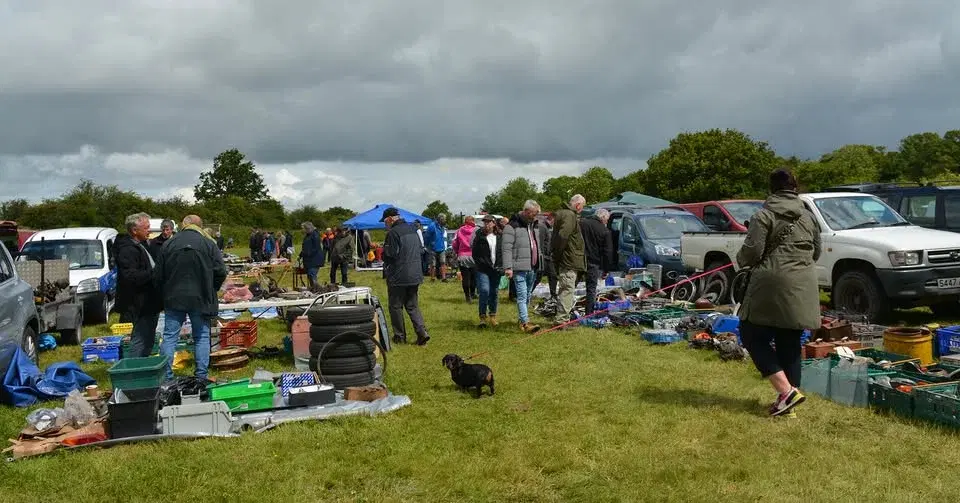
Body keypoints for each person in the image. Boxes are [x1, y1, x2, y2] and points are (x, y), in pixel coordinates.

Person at [737, 169, 821, 418]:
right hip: (803, 283)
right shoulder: (808, 217)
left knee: (751, 333)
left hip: (771, 282)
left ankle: (785, 392)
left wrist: (740, 259)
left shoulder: (763, 215)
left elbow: (752, 253)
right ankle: (790, 405)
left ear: (771, 189)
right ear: (796, 188)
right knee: (790, 341)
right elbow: (815, 252)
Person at [154, 215, 227, 382]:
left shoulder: (169, 243)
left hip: (173, 297)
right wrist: (211, 288)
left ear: (183, 225)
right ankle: (201, 375)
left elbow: (157, 275)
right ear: (200, 227)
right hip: (201, 297)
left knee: (170, 336)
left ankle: (167, 377)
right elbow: (221, 271)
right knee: (201, 336)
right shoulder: (209, 244)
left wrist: (164, 291)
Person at [381, 207, 431, 346]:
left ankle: (399, 337)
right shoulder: (413, 229)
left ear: (390, 219)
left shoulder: (392, 233)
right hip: (415, 274)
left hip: (399, 275)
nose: (385, 225)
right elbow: (421, 250)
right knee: (412, 306)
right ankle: (422, 333)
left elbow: (390, 255)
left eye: (385, 222)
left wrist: (382, 254)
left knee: (395, 306)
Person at [115, 212, 161, 357]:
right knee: (140, 340)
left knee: (147, 340)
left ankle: (142, 368)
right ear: (135, 230)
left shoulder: (141, 245)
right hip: (138, 304)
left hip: (148, 303)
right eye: (146, 228)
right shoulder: (128, 249)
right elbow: (130, 277)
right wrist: (155, 273)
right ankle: (133, 371)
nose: (150, 230)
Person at [502, 200, 544, 333]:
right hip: (519, 267)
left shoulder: (534, 225)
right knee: (521, 295)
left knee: (527, 295)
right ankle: (526, 323)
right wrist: (508, 267)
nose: (536, 216)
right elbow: (506, 248)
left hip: (533, 266)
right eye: (534, 213)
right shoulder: (512, 226)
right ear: (526, 212)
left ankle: (522, 320)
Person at [552, 194, 587, 328]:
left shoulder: (564, 214)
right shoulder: (570, 215)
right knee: (567, 290)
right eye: (582, 207)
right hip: (569, 260)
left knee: (565, 289)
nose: (581, 210)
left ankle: (562, 318)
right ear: (578, 205)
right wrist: (560, 254)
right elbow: (563, 235)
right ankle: (562, 321)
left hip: (567, 258)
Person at [580, 208, 614, 314]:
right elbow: (608, 252)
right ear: (603, 218)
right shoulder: (605, 231)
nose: (606, 222)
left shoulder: (582, 223)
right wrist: (606, 269)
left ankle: (564, 310)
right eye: (607, 220)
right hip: (593, 262)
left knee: (571, 286)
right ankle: (589, 313)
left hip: (579, 259)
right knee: (591, 288)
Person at [472, 215, 503, 328]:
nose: (487, 224)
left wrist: (501, 265)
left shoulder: (499, 236)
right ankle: (482, 317)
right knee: (484, 291)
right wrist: (480, 263)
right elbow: (474, 253)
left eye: (489, 222)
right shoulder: (479, 236)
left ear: (494, 223)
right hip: (483, 269)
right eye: (485, 222)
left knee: (494, 292)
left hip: (496, 269)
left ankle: (493, 315)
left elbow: (502, 252)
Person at [452, 215, 478, 302]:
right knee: (474, 276)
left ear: (465, 222)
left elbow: (454, 243)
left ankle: (467, 296)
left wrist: (457, 252)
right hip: (474, 255)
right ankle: (472, 293)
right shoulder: (477, 230)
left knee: (465, 277)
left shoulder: (459, 231)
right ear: (473, 221)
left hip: (462, 256)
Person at [536, 213, 558, 300]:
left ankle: (553, 294)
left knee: (553, 276)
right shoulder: (542, 227)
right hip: (543, 256)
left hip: (548, 257)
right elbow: (540, 242)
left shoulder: (547, 227)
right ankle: (528, 293)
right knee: (538, 277)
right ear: (552, 219)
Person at [299, 222, 323, 289]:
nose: (302, 230)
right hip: (309, 260)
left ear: (307, 228)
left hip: (314, 259)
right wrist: (301, 254)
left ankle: (317, 289)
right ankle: (314, 289)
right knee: (310, 275)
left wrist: (307, 254)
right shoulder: (307, 235)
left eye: (303, 228)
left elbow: (316, 248)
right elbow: (305, 247)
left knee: (312, 275)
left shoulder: (315, 235)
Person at [430, 214, 448, 281]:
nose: (445, 220)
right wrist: (430, 243)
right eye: (444, 219)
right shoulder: (432, 226)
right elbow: (428, 236)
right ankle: (432, 278)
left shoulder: (443, 228)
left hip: (442, 248)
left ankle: (444, 278)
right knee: (433, 264)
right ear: (440, 219)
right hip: (433, 248)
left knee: (443, 263)